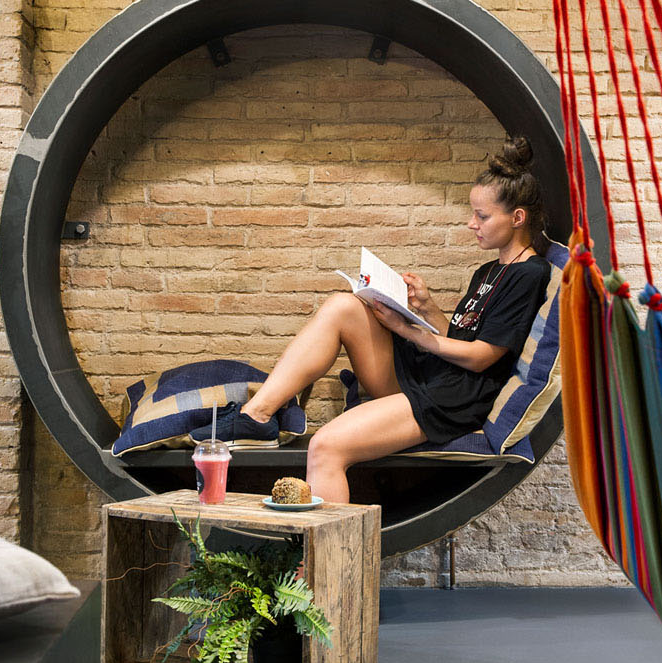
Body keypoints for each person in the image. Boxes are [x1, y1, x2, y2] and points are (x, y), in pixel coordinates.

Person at [201, 136, 552, 503]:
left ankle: (329, 561)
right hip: (435, 374)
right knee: (344, 306)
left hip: (456, 399)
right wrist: (426, 308)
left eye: (481, 216)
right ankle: (256, 416)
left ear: (517, 218)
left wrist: (407, 329)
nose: (470, 224)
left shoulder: (528, 274)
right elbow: (461, 339)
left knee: (325, 447)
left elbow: (482, 356)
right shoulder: (489, 270)